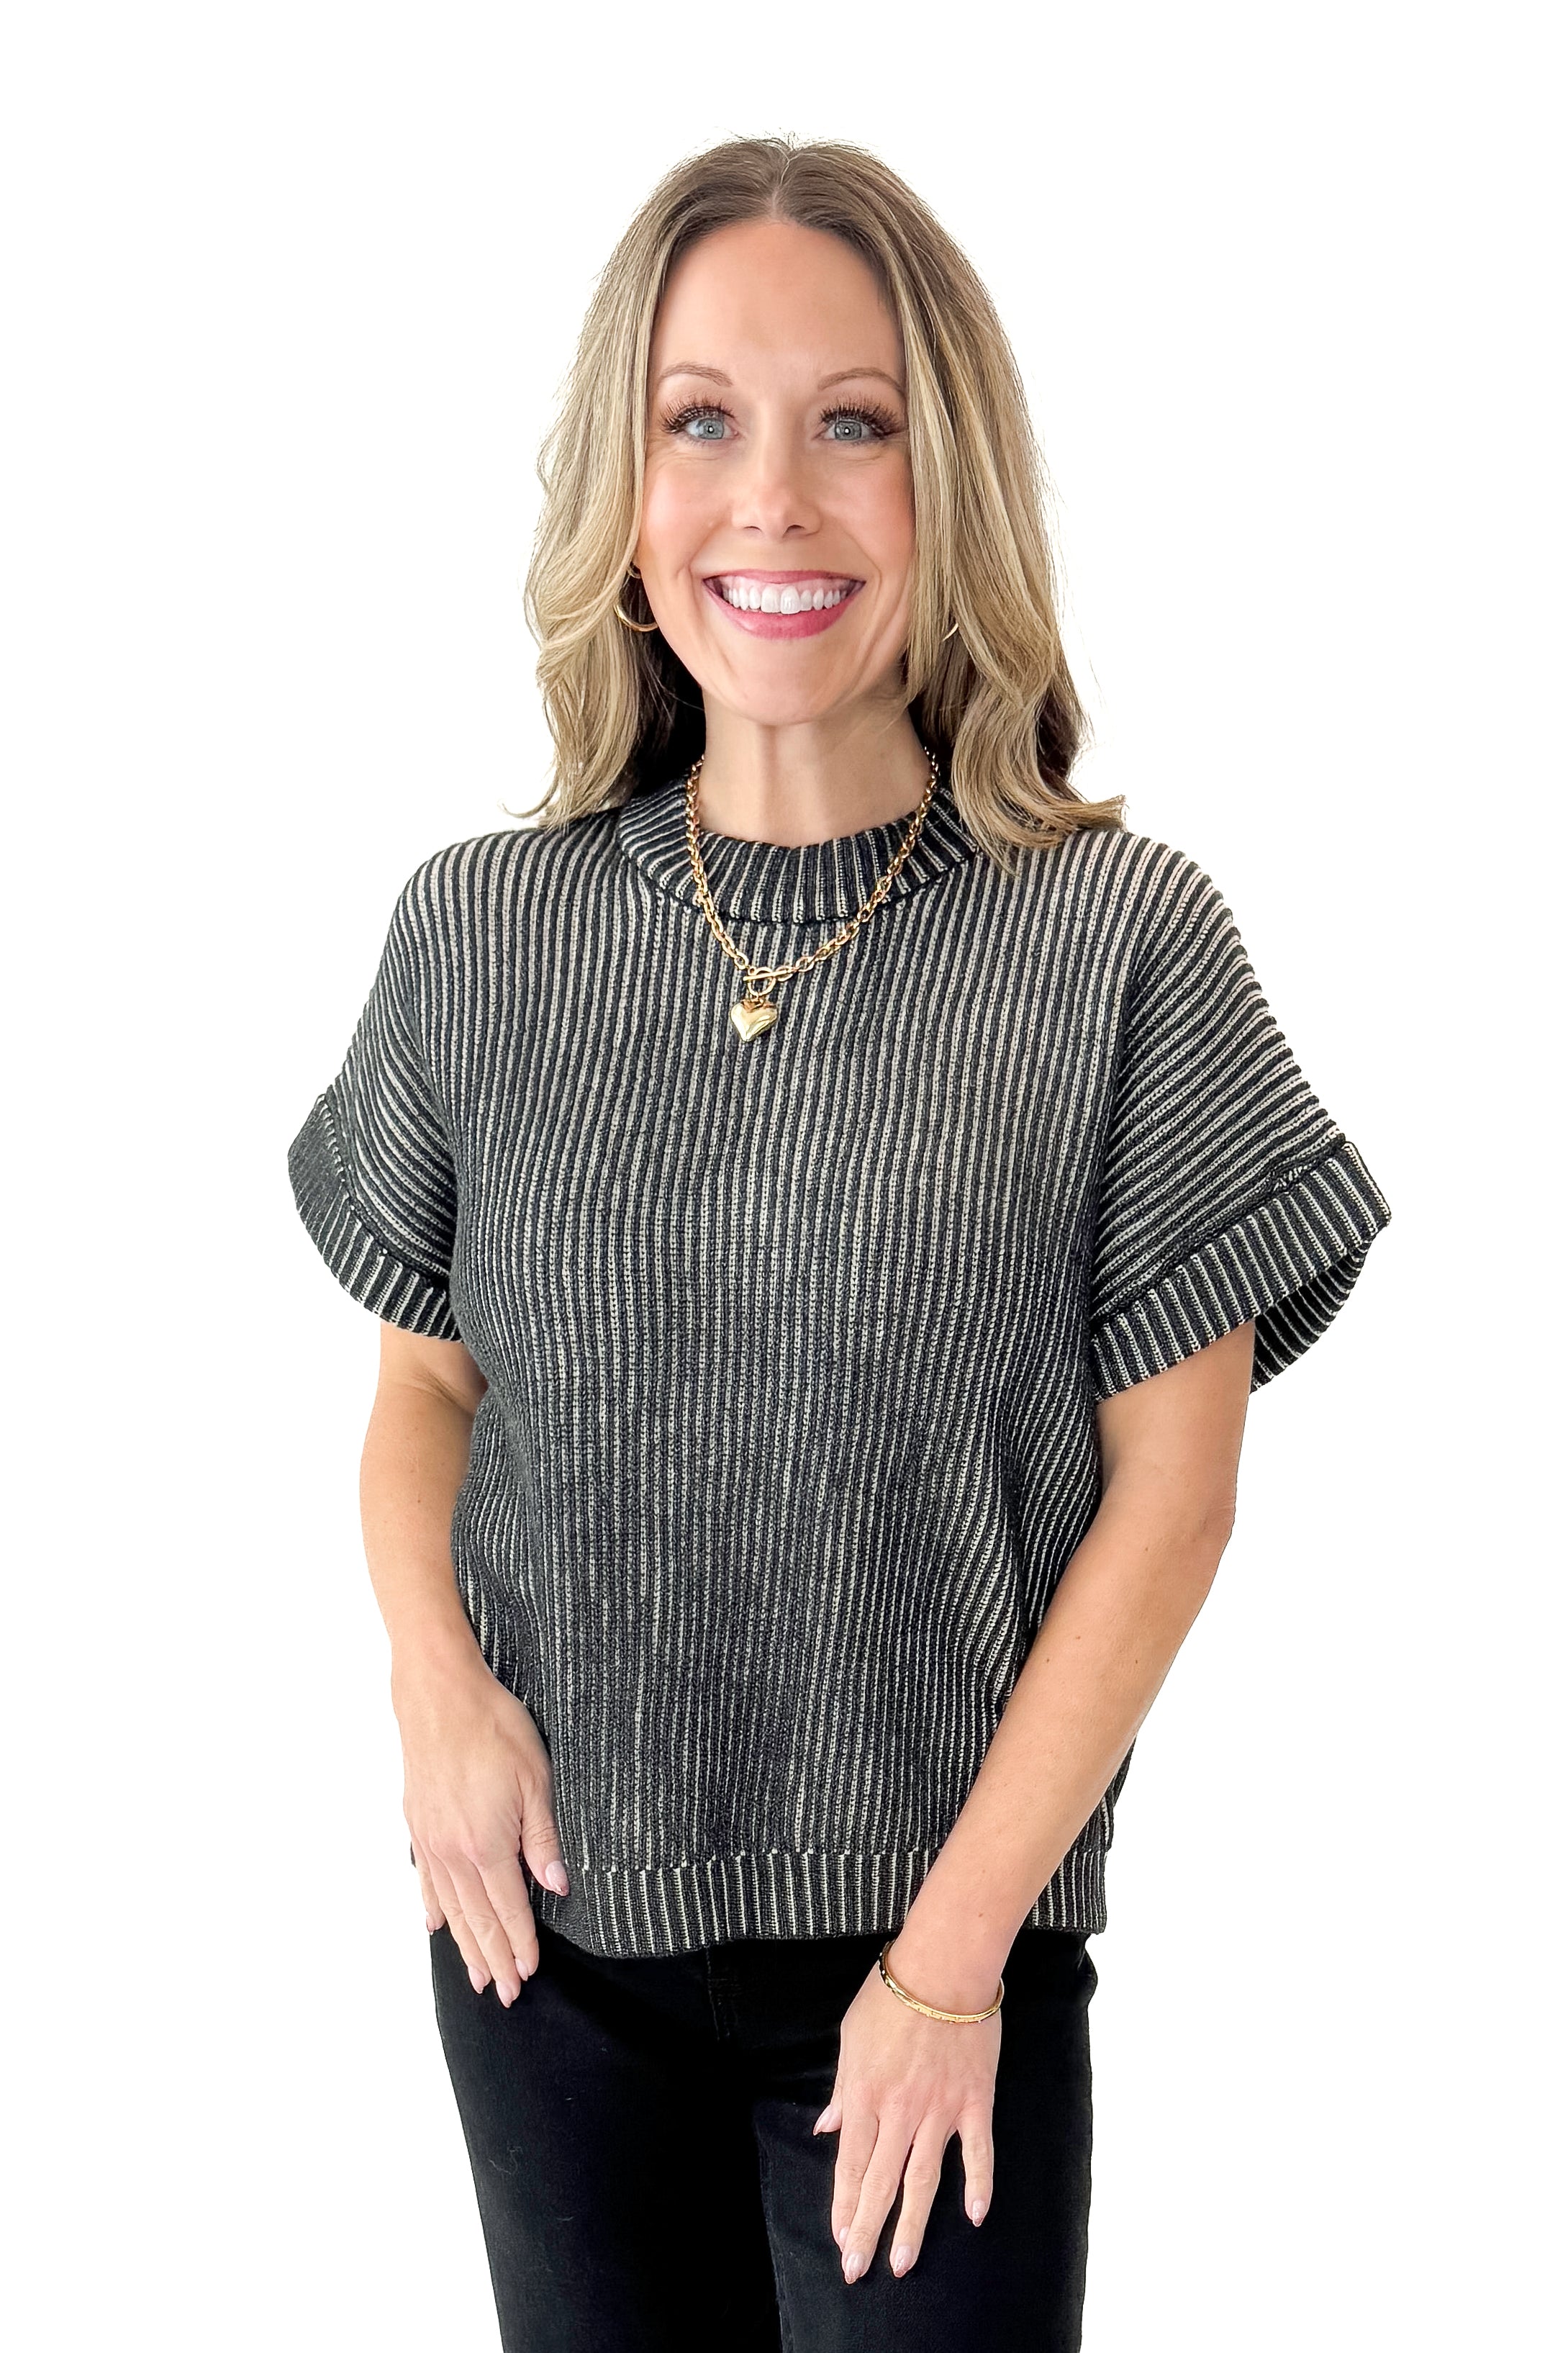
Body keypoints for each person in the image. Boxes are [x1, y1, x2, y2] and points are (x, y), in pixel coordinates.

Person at [286, 134, 1392, 2353]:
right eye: (699, 421)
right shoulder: (481, 933)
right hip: (542, 1949)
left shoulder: (1118, 946)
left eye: (852, 424)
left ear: (945, 476)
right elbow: (424, 1383)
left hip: (937, 1966)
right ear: (623, 488)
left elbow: (1172, 1500)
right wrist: (434, 1697)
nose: (770, 501)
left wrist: (950, 1964)